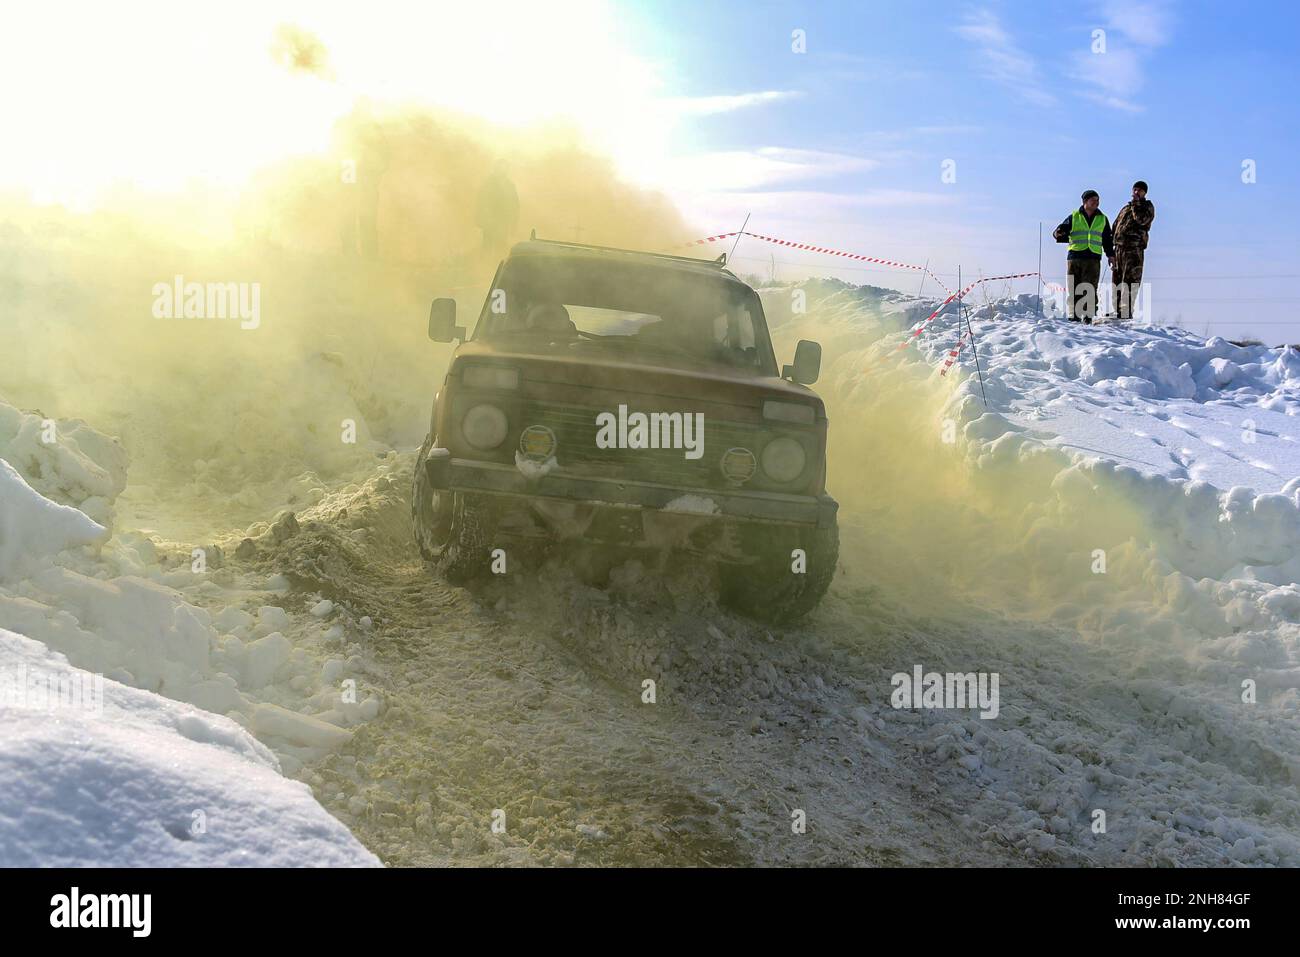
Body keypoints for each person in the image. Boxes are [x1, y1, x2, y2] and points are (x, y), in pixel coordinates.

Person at [1053, 189, 1114, 323]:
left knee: (1090, 287)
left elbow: (1107, 240)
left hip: (1093, 258)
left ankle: (1088, 316)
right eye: (1093, 200)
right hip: (1075, 257)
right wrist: (1058, 233)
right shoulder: (1074, 216)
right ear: (1085, 201)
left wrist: (1111, 255)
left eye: (1098, 200)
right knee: (1074, 286)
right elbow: (1059, 231)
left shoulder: (1103, 219)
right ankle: (1073, 315)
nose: (1096, 203)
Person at [1111, 181, 1155, 321]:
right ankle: (1117, 311)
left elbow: (1141, 220)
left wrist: (1136, 204)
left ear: (1144, 193)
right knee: (1117, 281)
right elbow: (1116, 225)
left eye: (1140, 191)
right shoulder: (1126, 208)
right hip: (1119, 248)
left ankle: (1126, 312)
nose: (1136, 192)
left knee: (1130, 281)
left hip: (1134, 249)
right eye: (1135, 189)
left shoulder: (1147, 207)